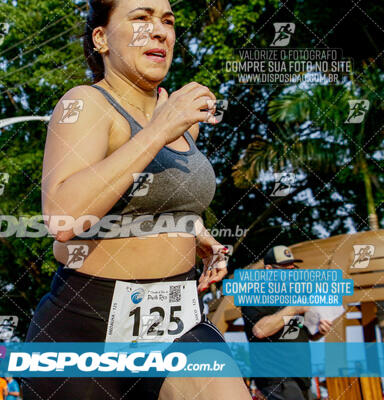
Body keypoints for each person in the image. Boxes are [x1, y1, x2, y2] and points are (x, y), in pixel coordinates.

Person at [22, 0, 251, 399]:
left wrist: (198, 235)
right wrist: (158, 130)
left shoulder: (181, 126)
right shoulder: (86, 104)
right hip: (87, 323)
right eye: (141, 18)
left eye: (167, 21)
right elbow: (62, 218)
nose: (160, 30)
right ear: (101, 39)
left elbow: (152, 201)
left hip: (175, 316)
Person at [241, 246, 333, 400]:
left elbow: (295, 334)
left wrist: (319, 332)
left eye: (293, 268)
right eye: (285, 269)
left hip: (302, 378)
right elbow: (260, 330)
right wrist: (293, 309)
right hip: (277, 378)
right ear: (269, 269)